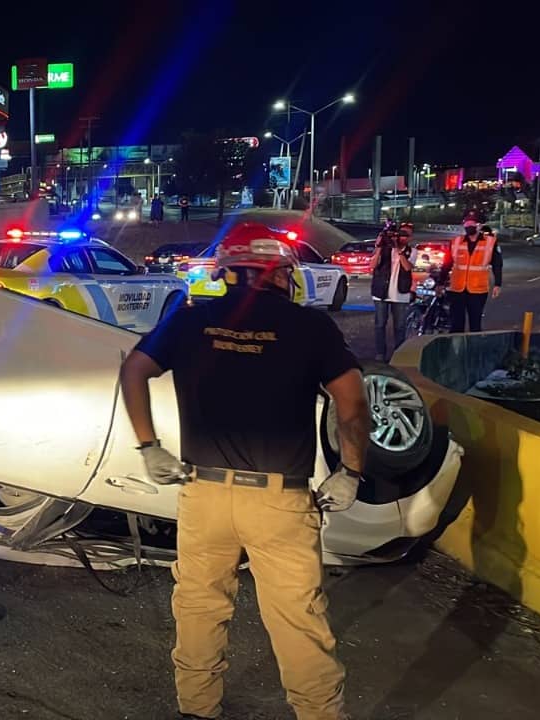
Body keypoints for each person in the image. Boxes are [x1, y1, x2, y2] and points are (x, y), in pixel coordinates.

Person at [121, 227, 371, 720]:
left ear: (227, 272)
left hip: (204, 495)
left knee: (199, 608)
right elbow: (352, 403)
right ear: (279, 274)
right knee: (298, 623)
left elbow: (133, 370)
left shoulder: (189, 322)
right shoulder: (310, 327)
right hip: (279, 502)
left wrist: (149, 447)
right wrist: (351, 471)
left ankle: (197, 709)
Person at [370, 224, 416, 361]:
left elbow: (407, 267)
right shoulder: (384, 249)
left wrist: (398, 249)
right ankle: (380, 354)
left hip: (400, 294)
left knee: (400, 326)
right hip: (381, 292)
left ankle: (399, 354)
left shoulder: (411, 251)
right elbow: (373, 265)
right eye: (401, 233)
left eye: (406, 234)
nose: (403, 237)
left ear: (410, 238)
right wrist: (378, 247)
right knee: (379, 324)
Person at [448, 218, 502, 333]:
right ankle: (455, 348)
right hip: (457, 288)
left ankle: (474, 348)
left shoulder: (490, 242)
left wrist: (498, 283)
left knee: (475, 323)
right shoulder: (457, 241)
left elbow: (497, 264)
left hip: (478, 290)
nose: (468, 226)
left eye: (471, 224)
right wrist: (440, 282)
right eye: (466, 224)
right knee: (456, 323)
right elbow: (447, 263)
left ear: (478, 226)